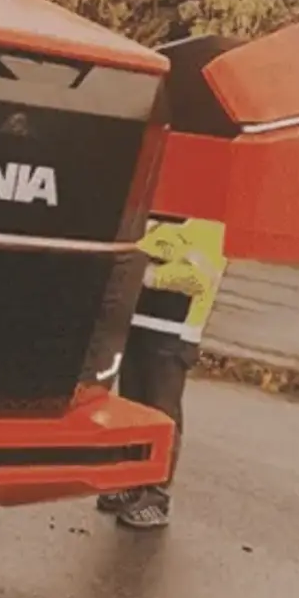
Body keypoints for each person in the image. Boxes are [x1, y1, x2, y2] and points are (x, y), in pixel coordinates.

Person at [100, 210, 221, 531]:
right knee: (133, 409)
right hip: (136, 326)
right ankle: (131, 481)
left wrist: (148, 274)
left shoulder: (206, 225)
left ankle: (155, 495)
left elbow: (198, 279)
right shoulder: (153, 218)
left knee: (162, 414)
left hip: (173, 334)